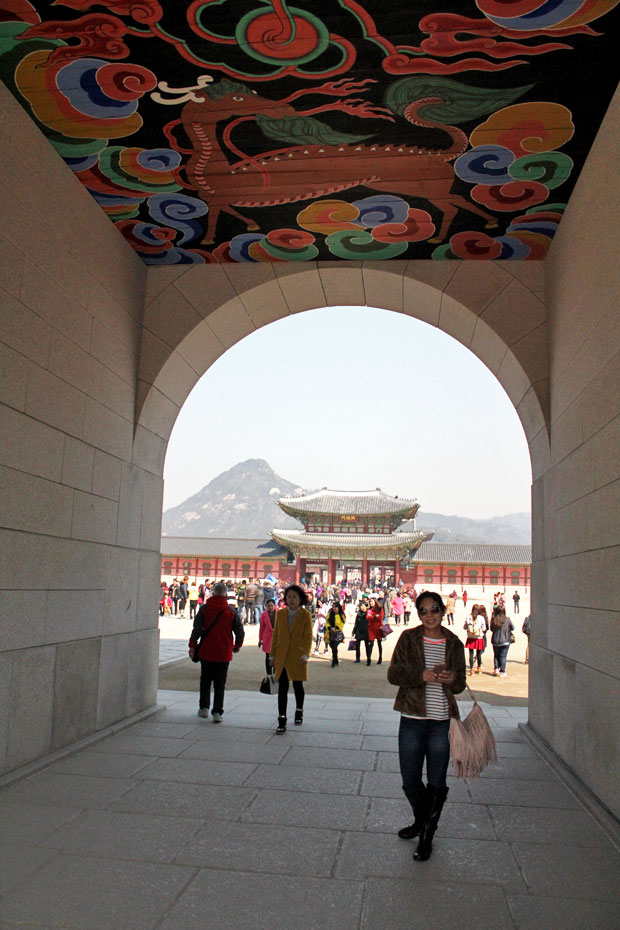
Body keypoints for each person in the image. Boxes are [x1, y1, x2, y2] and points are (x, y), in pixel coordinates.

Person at [387, 591, 466, 862]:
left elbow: (460, 685)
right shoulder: (408, 638)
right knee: (410, 780)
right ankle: (421, 821)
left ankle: (427, 836)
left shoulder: (454, 643)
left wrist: (451, 678)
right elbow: (393, 674)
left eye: (434, 609)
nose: (429, 615)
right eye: (423, 610)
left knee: (437, 781)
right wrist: (419, 675)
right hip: (411, 719)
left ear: (443, 611)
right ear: (418, 614)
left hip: (441, 722)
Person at [188, 582, 244, 722]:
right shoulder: (231, 611)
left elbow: (197, 629)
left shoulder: (204, 609)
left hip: (207, 650)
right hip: (224, 652)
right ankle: (218, 712)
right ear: (226, 595)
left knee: (205, 680)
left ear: (213, 594)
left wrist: (192, 645)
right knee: (220, 682)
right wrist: (237, 645)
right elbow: (239, 630)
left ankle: (204, 708)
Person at [270, 584, 313, 733]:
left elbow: (308, 637)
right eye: (289, 597)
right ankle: (282, 719)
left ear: (300, 599)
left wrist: (306, 654)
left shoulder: (305, 615)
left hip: (297, 655)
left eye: (295, 597)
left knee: (297, 685)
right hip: (282, 654)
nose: (292, 599)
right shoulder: (280, 614)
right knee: (282, 688)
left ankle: (299, 710)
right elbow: (276, 635)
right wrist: (272, 655)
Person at [490, 606, 514, 676]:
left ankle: (496, 669)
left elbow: (491, 629)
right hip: (505, 640)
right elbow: (513, 627)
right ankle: (502, 671)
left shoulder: (494, 619)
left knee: (496, 655)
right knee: (503, 656)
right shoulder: (507, 619)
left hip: (495, 640)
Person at [464, 604, 486, 675]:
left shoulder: (468, 617)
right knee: (479, 654)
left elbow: (464, 627)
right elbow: (484, 628)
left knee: (471, 653)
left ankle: (471, 669)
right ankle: (479, 668)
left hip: (470, 637)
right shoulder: (481, 618)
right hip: (478, 637)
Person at [258, 598, 277, 675]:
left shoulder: (279, 614)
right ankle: (269, 674)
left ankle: (275, 673)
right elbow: (261, 628)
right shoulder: (264, 615)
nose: (270, 607)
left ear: (274, 606)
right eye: (268, 606)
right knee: (268, 656)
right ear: (266, 606)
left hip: (276, 638)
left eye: (271, 606)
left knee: (276, 656)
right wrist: (260, 639)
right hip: (267, 638)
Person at [325, 600, 346, 667]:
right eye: (333, 607)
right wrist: (329, 627)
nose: (334, 609)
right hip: (330, 632)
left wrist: (336, 628)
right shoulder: (330, 614)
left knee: (334, 646)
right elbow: (327, 621)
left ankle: (334, 661)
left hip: (338, 633)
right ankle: (336, 658)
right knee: (332, 646)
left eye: (335, 607)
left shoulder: (342, 615)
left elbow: (342, 623)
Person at [366, 596, 384, 665]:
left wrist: (372, 617)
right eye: (370, 601)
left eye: (372, 601)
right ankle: (369, 659)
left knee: (379, 643)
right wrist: (374, 617)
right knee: (371, 643)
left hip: (378, 628)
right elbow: (367, 617)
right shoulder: (369, 610)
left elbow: (380, 618)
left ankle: (380, 657)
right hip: (371, 628)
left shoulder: (380, 609)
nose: (370, 603)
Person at [353, 597, 371, 664]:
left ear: (366, 607)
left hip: (366, 631)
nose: (361, 607)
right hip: (359, 630)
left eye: (362, 606)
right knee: (357, 645)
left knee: (367, 645)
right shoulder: (359, 613)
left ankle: (368, 658)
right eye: (361, 606)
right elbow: (356, 623)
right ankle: (357, 658)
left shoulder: (368, 613)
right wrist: (353, 631)